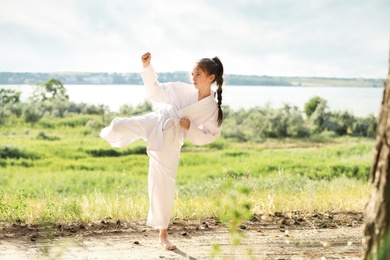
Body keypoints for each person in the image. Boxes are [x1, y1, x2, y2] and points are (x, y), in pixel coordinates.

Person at [100, 52, 224, 250]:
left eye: (198, 74)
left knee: (164, 185)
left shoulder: (212, 109)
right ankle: (112, 137)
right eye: (192, 74)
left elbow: (210, 135)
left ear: (211, 77)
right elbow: (155, 91)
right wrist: (147, 67)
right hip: (157, 120)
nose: (193, 78)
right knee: (119, 126)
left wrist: (189, 128)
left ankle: (163, 234)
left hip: (171, 140)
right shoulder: (180, 89)